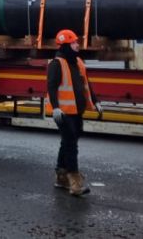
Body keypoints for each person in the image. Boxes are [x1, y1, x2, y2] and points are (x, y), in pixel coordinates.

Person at [46, 28, 101, 196]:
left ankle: (61, 175)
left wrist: (96, 101)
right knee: (71, 144)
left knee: (69, 141)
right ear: (65, 45)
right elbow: (51, 87)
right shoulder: (56, 64)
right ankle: (75, 181)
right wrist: (55, 107)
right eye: (74, 42)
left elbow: (87, 84)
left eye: (77, 42)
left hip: (76, 110)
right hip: (63, 112)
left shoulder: (78, 62)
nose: (77, 45)